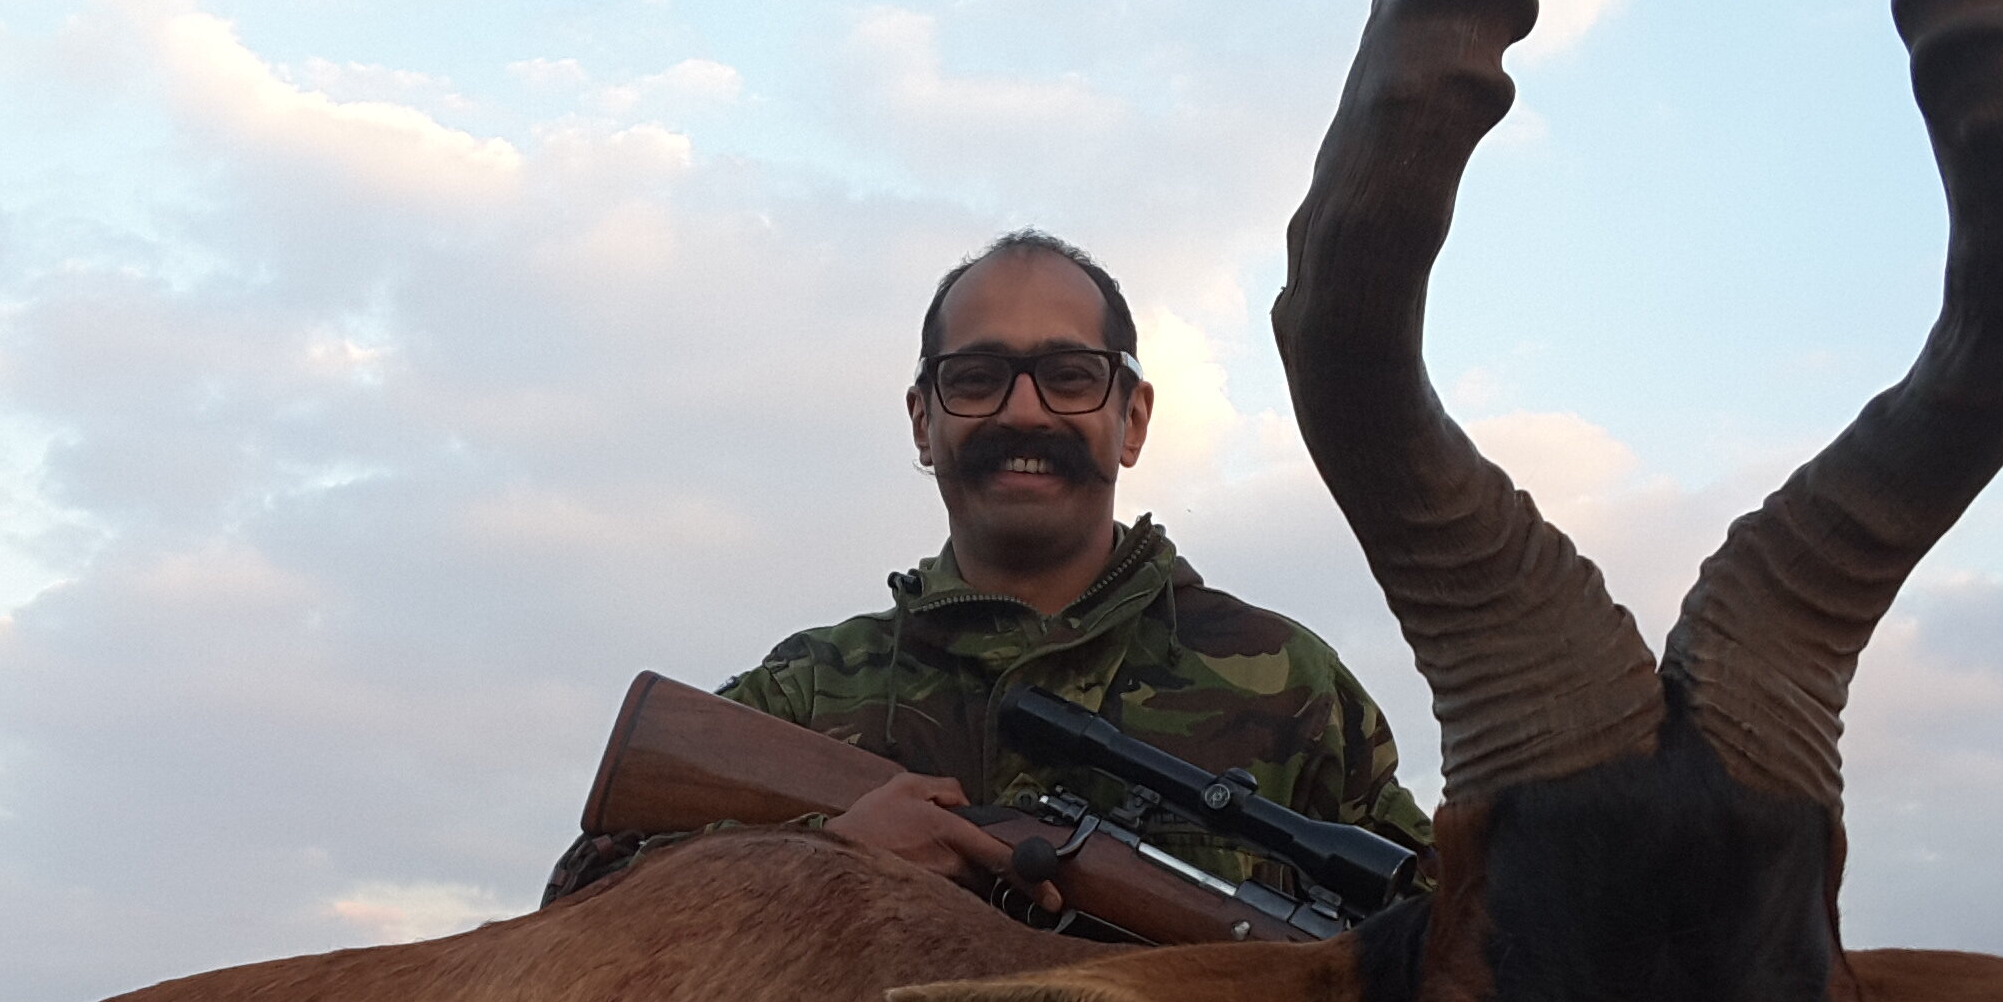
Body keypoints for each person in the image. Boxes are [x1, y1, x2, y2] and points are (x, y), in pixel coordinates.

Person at [548, 228, 1429, 909]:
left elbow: (1455, 938)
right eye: (976, 379)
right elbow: (579, 904)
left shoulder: (1292, 686)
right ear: (923, 422)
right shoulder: (809, 695)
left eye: (1069, 375)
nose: (1023, 411)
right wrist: (825, 859)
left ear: (1132, 420)